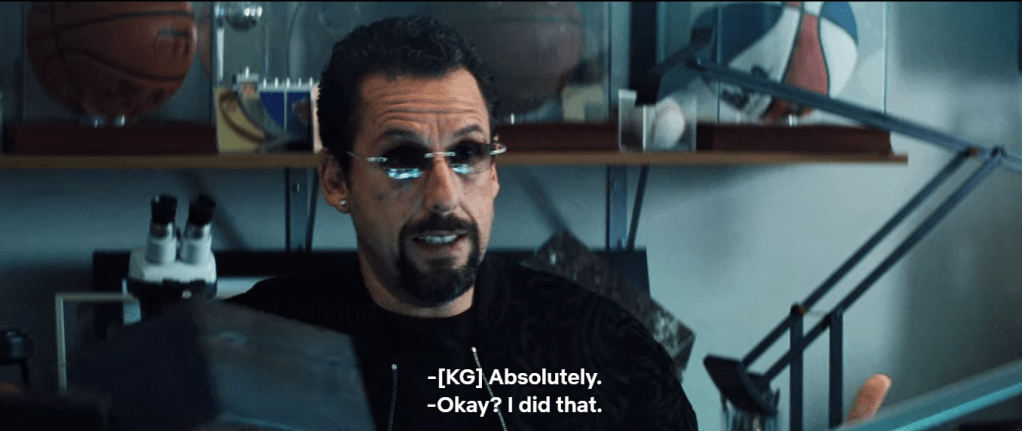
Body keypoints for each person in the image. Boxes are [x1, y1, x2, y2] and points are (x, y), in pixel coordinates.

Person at [227, 15, 696, 431]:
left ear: (493, 172)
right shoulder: (249, 347)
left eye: (467, 153)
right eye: (402, 158)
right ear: (336, 180)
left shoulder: (608, 351)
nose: (444, 196)